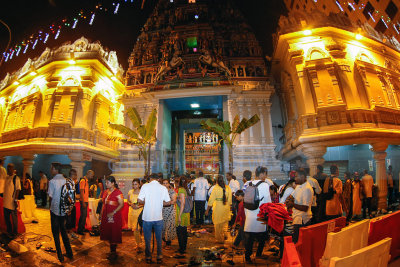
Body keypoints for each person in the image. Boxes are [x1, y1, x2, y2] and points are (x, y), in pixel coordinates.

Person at [138, 173, 171, 264]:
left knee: (147, 239)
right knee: (159, 238)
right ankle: (159, 256)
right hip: (158, 217)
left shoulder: (145, 186)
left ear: (150, 179)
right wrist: (159, 203)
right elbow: (168, 202)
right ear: (158, 179)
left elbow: (139, 200)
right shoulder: (163, 188)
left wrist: (147, 202)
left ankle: (148, 257)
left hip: (147, 217)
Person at [242, 166, 271, 263]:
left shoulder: (248, 183)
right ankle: (258, 254)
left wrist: (247, 214)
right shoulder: (265, 185)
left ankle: (247, 257)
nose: (266, 176)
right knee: (262, 236)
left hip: (249, 213)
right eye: (265, 174)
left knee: (249, 237)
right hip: (259, 215)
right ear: (262, 174)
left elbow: (245, 200)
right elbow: (268, 202)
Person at [48, 162, 73, 262]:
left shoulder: (52, 181)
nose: (51, 170)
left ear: (55, 169)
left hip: (55, 210)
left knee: (55, 233)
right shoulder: (66, 180)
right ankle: (69, 252)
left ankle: (60, 255)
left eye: (51, 168)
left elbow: (50, 197)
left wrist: (50, 208)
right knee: (63, 231)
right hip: (63, 210)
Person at [285, 169, 313, 243]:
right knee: (295, 241)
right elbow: (292, 195)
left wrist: (292, 204)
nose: (295, 178)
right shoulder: (298, 186)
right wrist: (288, 199)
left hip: (303, 220)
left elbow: (305, 208)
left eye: (296, 176)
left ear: (303, 177)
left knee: (299, 242)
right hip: (296, 218)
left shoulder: (307, 189)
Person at [100, 176, 124, 260]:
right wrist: (101, 213)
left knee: (114, 232)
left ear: (113, 183)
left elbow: (121, 204)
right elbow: (104, 204)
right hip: (106, 215)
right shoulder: (106, 192)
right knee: (108, 231)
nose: (106, 184)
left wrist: (113, 212)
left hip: (114, 216)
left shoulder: (118, 192)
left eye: (108, 183)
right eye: (106, 182)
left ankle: (113, 251)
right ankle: (111, 250)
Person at [205, 175, 232, 244]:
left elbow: (210, 201)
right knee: (225, 222)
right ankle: (225, 234)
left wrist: (207, 210)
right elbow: (230, 201)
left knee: (217, 224)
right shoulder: (228, 188)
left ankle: (220, 239)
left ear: (217, 181)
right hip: (226, 207)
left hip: (218, 208)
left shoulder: (215, 188)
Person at [3, 163, 20, 239]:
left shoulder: (16, 178)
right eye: (8, 167)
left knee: (14, 219)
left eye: (10, 168)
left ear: (13, 169)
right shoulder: (6, 177)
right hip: (5, 202)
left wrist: (15, 200)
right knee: (7, 218)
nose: (9, 169)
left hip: (12, 202)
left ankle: (15, 232)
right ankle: (9, 231)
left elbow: (17, 190)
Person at [175, 176, 190, 255]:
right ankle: (183, 248)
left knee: (180, 232)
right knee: (184, 231)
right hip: (185, 213)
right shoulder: (185, 189)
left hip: (181, 213)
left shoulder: (181, 190)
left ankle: (181, 249)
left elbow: (183, 203)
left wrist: (179, 216)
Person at [127, 179, 143, 250]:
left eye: (136, 184)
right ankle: (138, 242)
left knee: (137, 228)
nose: (134, 186)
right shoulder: (130, 192)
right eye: (133, 184)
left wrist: (139, 206)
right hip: (132, 212)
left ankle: (139, 243)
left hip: (139, 212)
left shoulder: (142, 192)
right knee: (134, 229)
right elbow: (128, 201)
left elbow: (145, 202)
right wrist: (131, 204)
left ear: (139, 185)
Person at [162, 178, 177, 249]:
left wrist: (163, 203)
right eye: (163, 183)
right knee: (163, 227)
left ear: (168, 184)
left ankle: (168, 243)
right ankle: (164, 241)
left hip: (170, 211)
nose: (165, 185)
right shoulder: (160, 192)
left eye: (166, 183)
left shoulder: (172, 192)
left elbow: (173, 201)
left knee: (169, 227)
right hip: (162, 212)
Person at [77, 170, 93, 235]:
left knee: (84, 216)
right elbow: (81, 192)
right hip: (83, 201)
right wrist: (83, 202)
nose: (92, 177)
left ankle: (82, 229)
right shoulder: (83, 181)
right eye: (91, 175)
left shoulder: (86, 181)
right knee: (83, 216)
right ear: (88, 174)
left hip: (85, 201)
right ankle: (80, 230)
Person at [66, 169, 77, 238]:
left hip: (73, 204)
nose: (76, 176)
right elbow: (67, 194)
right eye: (75, 174)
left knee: (72, 219)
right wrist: (70, 204)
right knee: (68, 220)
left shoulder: (73, 182)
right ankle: (67, 234)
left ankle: (71, 232)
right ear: (73, 174)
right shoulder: (68, 182)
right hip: (69, 204)